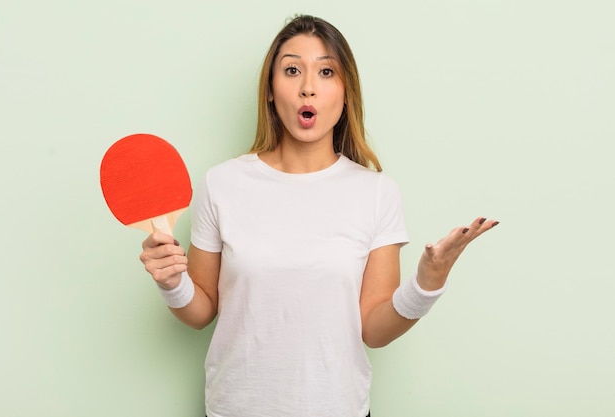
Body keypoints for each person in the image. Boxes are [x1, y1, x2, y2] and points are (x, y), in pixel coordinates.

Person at [139, 14, 498, 417]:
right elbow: (201, 311)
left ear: (345, 94)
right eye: (292, 70)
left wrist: (427, 284)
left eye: (326, 72)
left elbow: (374, 330)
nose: (308, 87)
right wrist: (172, 283)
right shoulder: (222, 183)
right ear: (271, 91)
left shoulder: (377, 192)